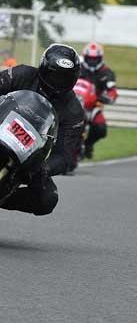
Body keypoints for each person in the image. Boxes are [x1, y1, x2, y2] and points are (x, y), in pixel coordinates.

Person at [0, 44, 83, 215]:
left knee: (47, 199)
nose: (58, 82)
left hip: (31, 157)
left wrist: (45, 168)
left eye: (64, 78)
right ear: (43, 68)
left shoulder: (74, 111)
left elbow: (65, 156)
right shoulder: (22, 74)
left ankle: (4, 196)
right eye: (55, 75)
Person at [79, 42, 118, 159]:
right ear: (85, 57)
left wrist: (110, 97)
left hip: (93, 105)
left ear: (100, 58)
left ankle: (88, 144)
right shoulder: (77, 68)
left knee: (101, 129)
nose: (92, 61)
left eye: (95, 59)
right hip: (74, 102)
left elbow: (112, 90)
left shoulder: (106, 72)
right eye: (89, 58)